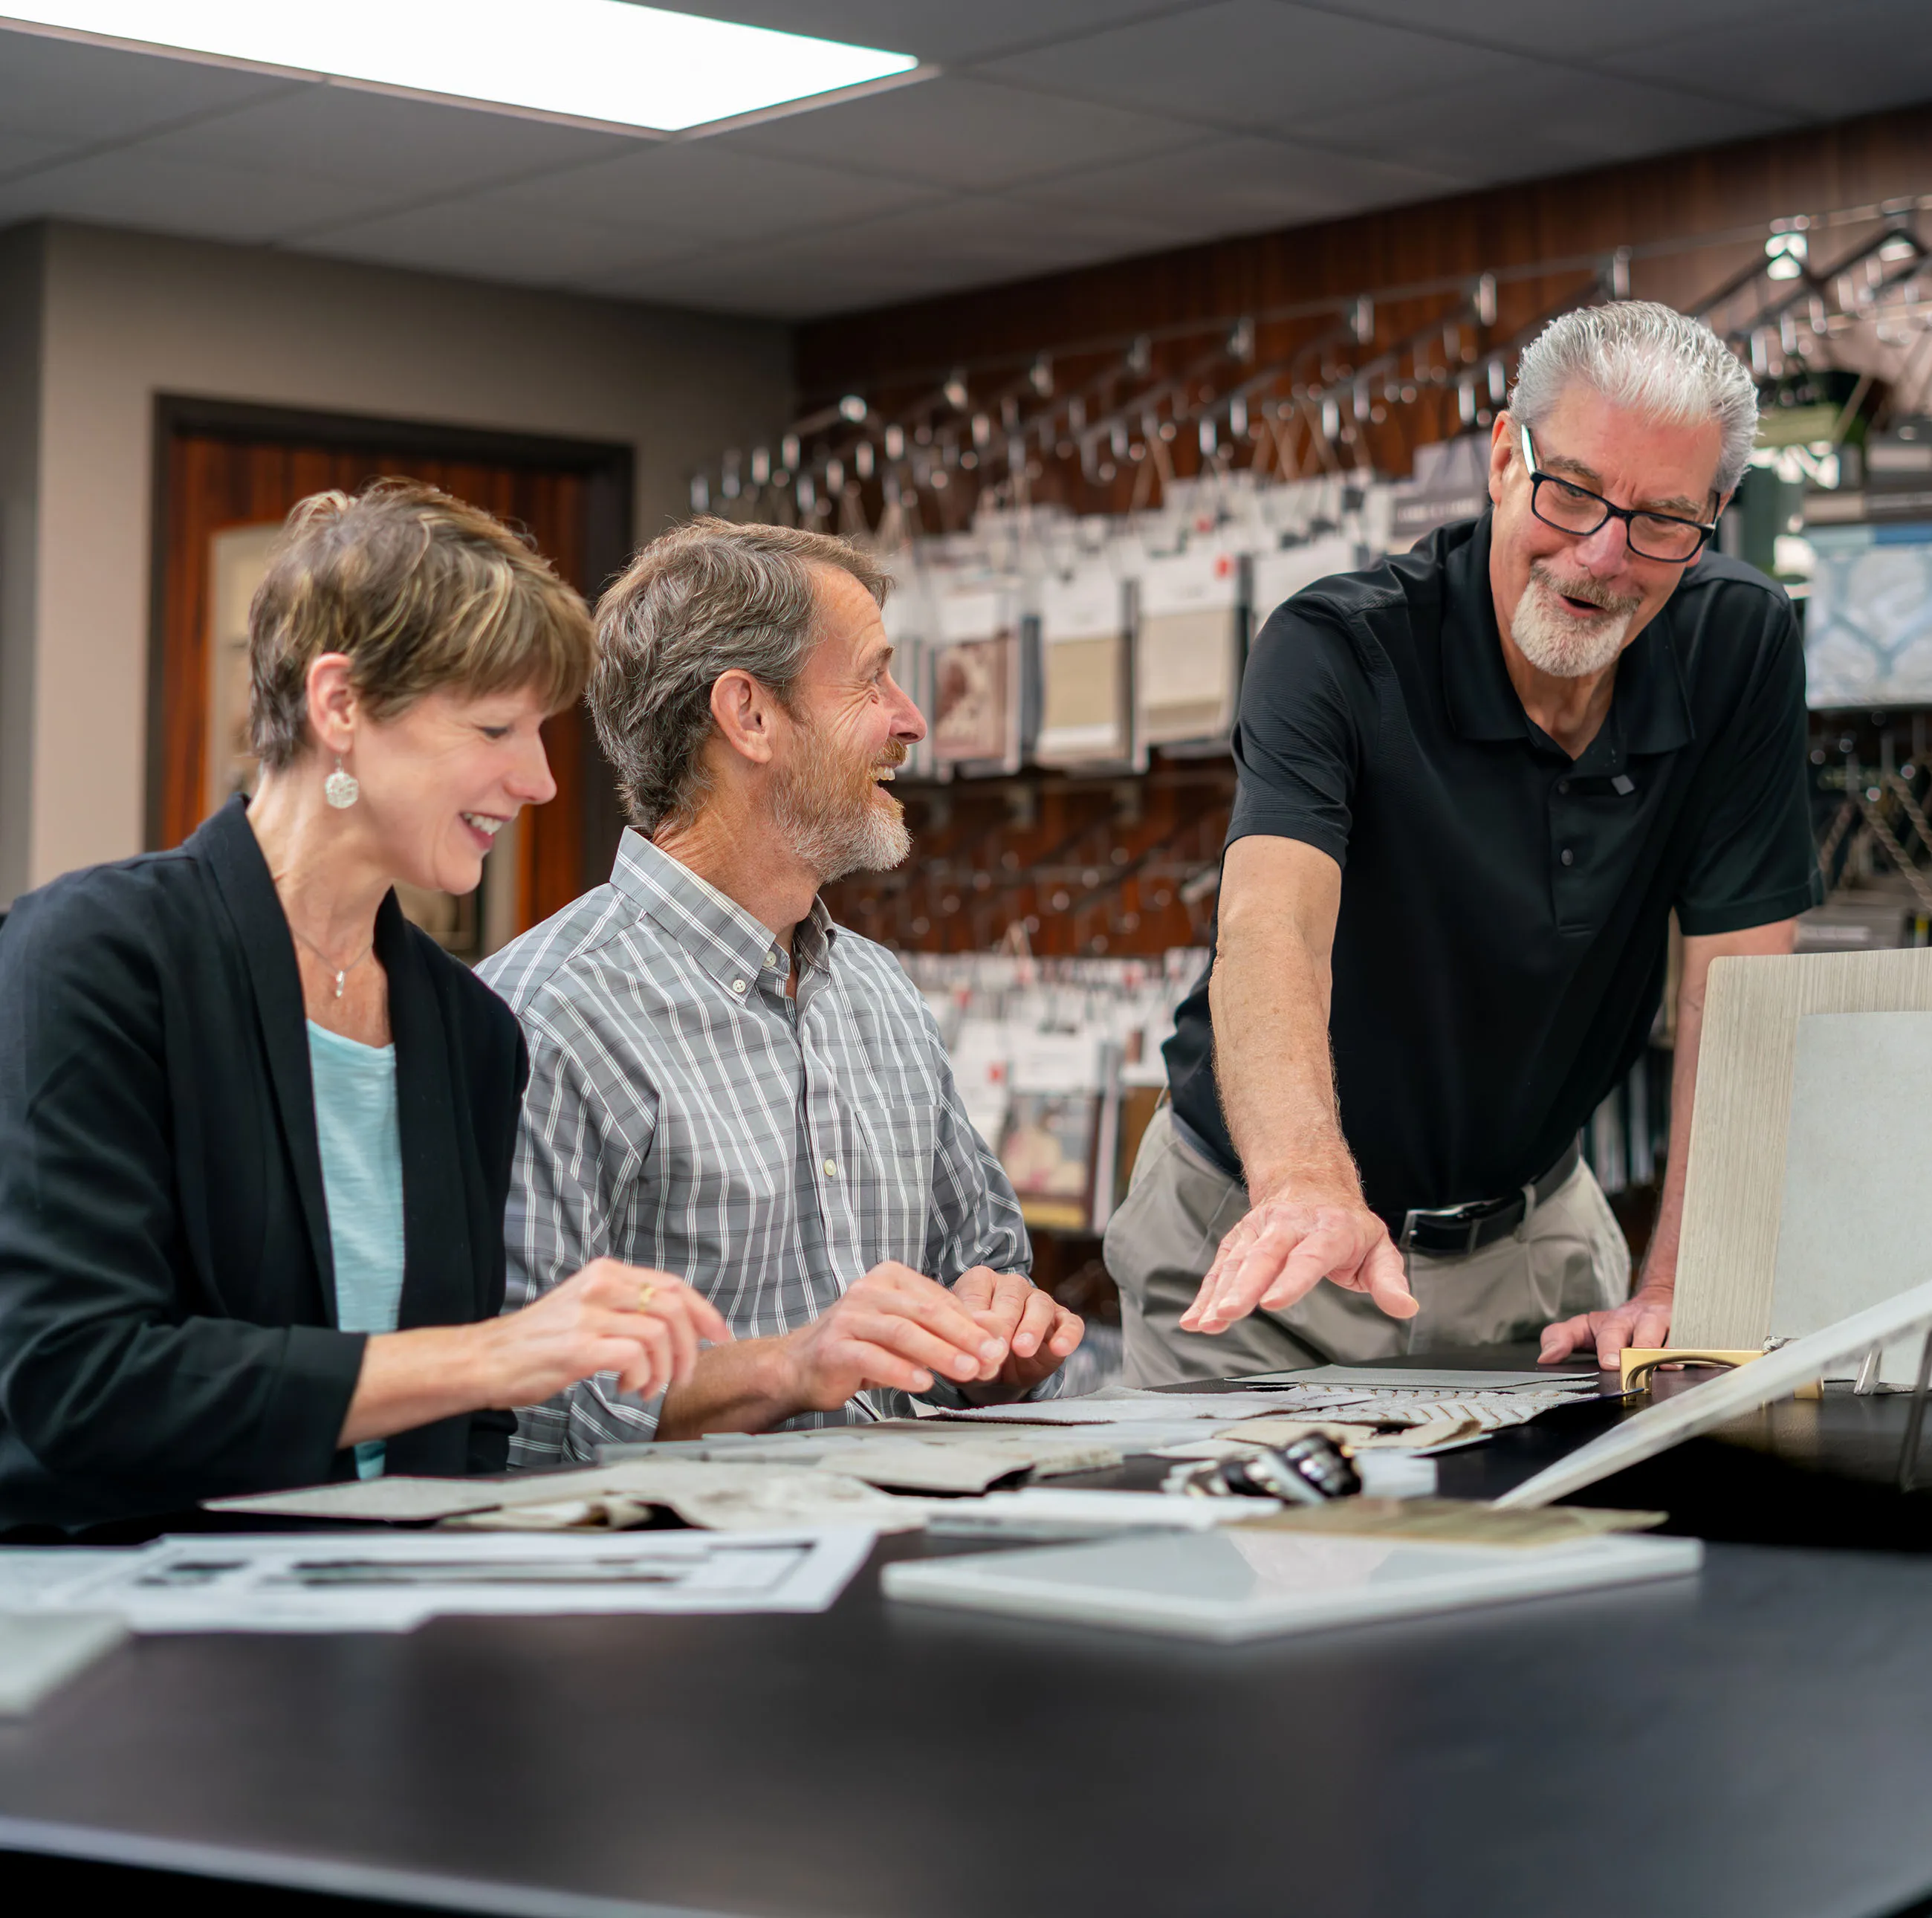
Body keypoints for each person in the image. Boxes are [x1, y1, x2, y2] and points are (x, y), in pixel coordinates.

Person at [1107, 300, 1821, 1383]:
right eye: (1572, 491)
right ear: (1502, 458)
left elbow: (1741, 993)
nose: (1602, 556)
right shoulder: (1335, 650)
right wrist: (1306, 1185)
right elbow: (1272, 932)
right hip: (1269, 1248)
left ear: (1715, 514)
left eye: (1663, 521)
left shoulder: (1740, 642)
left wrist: (1685, 1278)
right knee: (1267, 1553)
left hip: (1532, 1249)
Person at [0, 481, 725, 1533]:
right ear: (339, 705)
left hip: (385, 1608)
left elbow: (462, 1436)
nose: (537, 781)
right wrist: (492, 1354)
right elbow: (81, 1377)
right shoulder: (94, 959)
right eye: (494, 726)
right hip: (115, 1621)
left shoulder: (469, 1032)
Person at [481, 519, 1083, 1464]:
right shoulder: (547, 1015)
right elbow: (509, 1407)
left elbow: (985, 1267)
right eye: (872, 677)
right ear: (748, 716)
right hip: (677, 1587)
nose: (911, 718)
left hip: (908, 1546)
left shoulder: (877, 994)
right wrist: (787, 1366)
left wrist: (997, 1337)